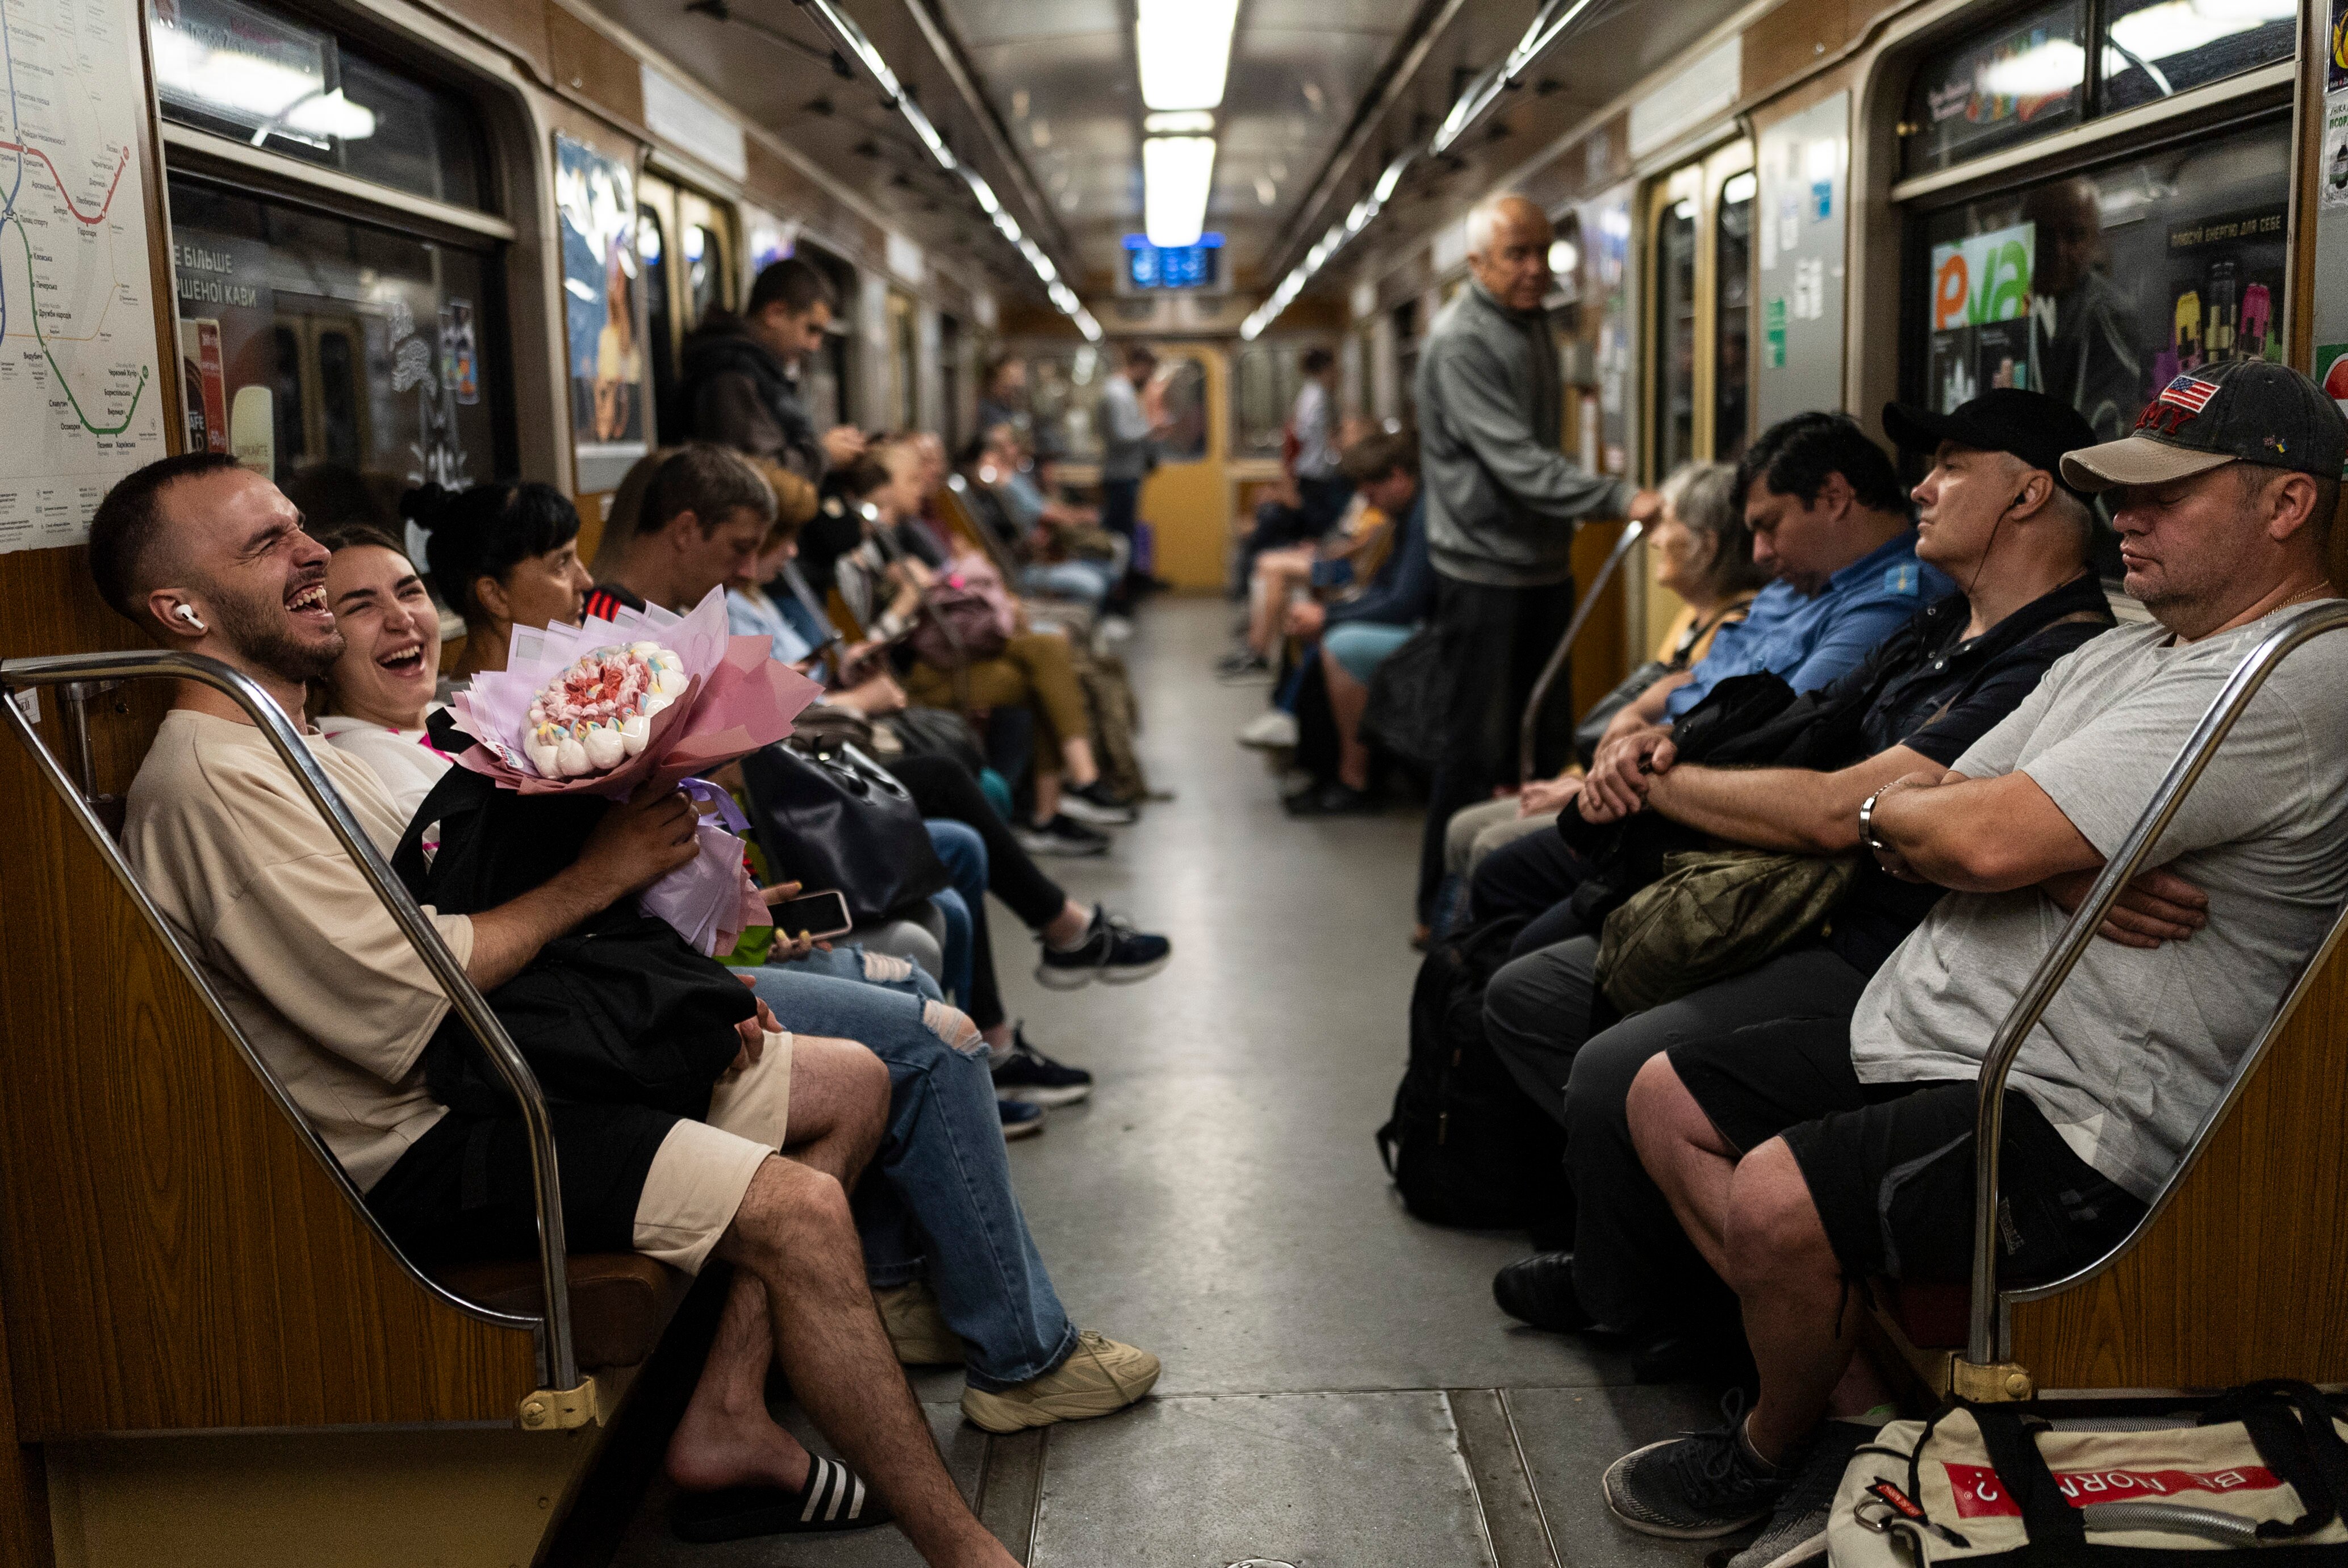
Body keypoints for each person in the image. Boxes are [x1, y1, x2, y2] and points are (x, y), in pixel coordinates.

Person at [91, 453, 1126, 1565]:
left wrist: (677, 989)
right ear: (181, 610)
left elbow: (462, 925)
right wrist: (603, 876)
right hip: (426, 1143)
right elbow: (419, 995)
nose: (309, 554)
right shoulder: (212, 783)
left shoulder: (286, 745)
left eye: (299, 527)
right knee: (800, 1212)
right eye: (267, 545)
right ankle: (970, 1551)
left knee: (856, 1082)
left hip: (482, 1076)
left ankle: (726, 1413)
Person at [1599, 359, 2348, 1549]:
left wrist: (1976, 838)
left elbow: (1967, 834)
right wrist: (2010, 850)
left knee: (1776, 1196)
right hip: (1947, 1034)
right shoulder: (2126, 654)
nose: (2123, 517)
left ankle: (1772, 1451)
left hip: (2080, 1104)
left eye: (2164, 495)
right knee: (1661, 1097)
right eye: (2119, 491)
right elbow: (1931, 813)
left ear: (2287, 505)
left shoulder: (2291, 676)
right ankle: (1855, 1420)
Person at [1482, 390, 2113, 1382]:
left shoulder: (2055, 656)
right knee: (1532, 988)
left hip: (1888, 940)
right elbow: (1807, 729)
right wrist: (1668, 742)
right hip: (1808, 895)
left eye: (1950, 467)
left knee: (1610, 1063)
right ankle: (1637, 1269)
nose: (1920, 488)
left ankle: (1681, 1309)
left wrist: (1667, 784)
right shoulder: (1938, 626)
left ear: (2029, 494)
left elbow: (1843, 809)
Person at [1465, 412, 1956, 935]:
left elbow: (1772, 728)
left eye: (1770, 526)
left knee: (1502, 876)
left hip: (1704, 796)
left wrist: (1620, 772)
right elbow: (1701, 676)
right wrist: (1635, 717)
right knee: (1497, 870)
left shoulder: (1890, 600)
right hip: (1665, 764)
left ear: (1835, 497)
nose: (1760, 554)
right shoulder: (1801, 582)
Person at [1412, 191, 1664, 927]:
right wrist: (1618, 497)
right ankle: (1439, 908)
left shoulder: (1532, 326)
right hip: (1482, 570)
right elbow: (1518, 464)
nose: (1533, 269)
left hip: (1540, 564)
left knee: (1547, 738)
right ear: (1476, 263)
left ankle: (1518, 898)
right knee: (1475, 745)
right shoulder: (1462, 342)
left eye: (1540, 252)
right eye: (1514, 255)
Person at [1427, 461, 1763, 919]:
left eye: (1667, 523)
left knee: (1485, 842)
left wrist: (1579, 786)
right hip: (1606, 778)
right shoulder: (1691, 618)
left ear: (1705, 544)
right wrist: (1573, 776)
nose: (1655, 538)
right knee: (1463, 828)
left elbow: (1677, 743)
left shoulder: (1733, 629)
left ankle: (1470, 950)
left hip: (1640, 802)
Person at [1281, 428, 1434, 816]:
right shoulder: (1406, 514)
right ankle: (1318, 758)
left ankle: (1355, 780)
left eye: (1372, 494)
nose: (1370, 504)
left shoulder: (1424, 517)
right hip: (1416, 620)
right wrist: (1329, 615)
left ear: (1398, 477)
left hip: (1433, 632)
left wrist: (1329, 617)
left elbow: (1404, 603)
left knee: (1341, 647)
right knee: (1322, 630)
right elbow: (1386, 589)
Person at [676, 257, 866, 485]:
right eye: (811, 329)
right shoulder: (732, 372)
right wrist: (824, 455)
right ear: (775, 313)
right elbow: (756, 473)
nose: (814, 346)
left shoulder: (759, 370)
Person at [406, 480, 593, 684]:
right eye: (561, 564)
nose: (587, 582)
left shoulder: (569, 680)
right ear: (494, 596)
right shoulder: (459, 706)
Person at [1098, 343, 1168, 561]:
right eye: (1149, 372)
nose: (1150, 378)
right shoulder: (1117, 394)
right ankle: (1118, 579)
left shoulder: (1125, 392)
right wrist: (1152, 427)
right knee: (1120, 535)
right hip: (1121, 475)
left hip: (1127, 472)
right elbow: (1121, 436)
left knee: (1125, 532)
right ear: (1140, 366)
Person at [1289, 346, 1349, 534]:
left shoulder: (1309, 394)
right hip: (1318, 476)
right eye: (1336, 369)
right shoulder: (1320, 398)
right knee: (1322, 530)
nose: (1339, 375)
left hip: (1310, 473)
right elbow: (1324, 437)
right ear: (1327, 369)